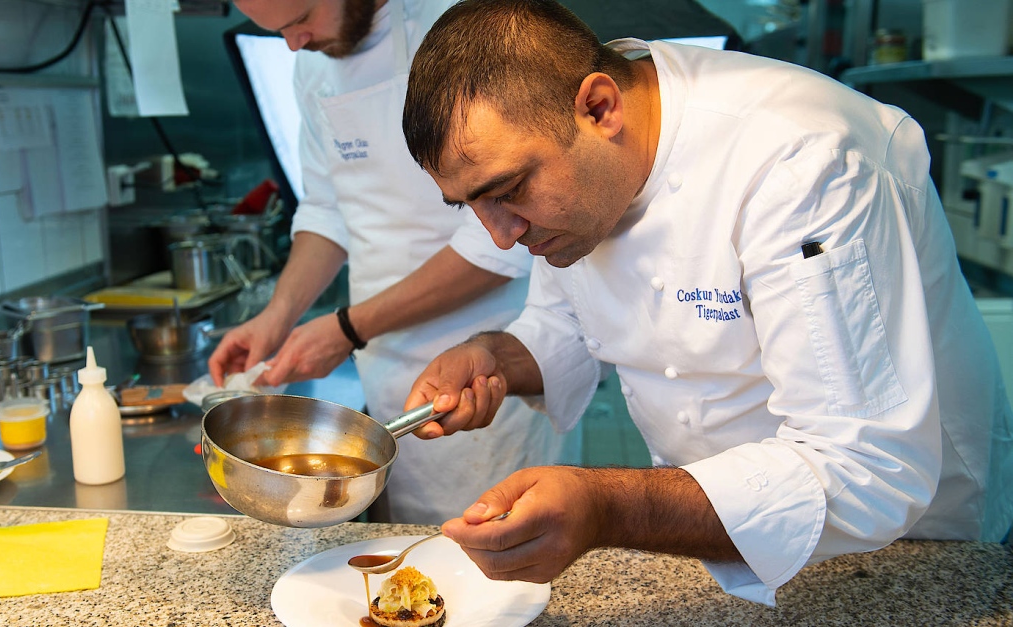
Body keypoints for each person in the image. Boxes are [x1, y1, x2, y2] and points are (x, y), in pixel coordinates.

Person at [398, 0, 1013, 604]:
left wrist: (607, 507)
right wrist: (495, 357)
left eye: (506, 191)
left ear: (599, 107)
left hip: (906, 547)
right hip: (715, 532)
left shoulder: (804, 162)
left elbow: (865, 468)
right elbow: (567, 320)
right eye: (470, 205)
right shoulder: (577, 174)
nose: (499, 234)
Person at [213, 0, 578, 525]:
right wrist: (279, 315)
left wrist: (349, 326)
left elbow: (494, 242)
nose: (294, 42)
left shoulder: (465, 29)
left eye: (301, 21)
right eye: (279, 32)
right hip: (382, 370)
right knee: (409, 562)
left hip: (485, 371)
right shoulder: (313, 64)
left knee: (500, 553)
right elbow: (328, 209)